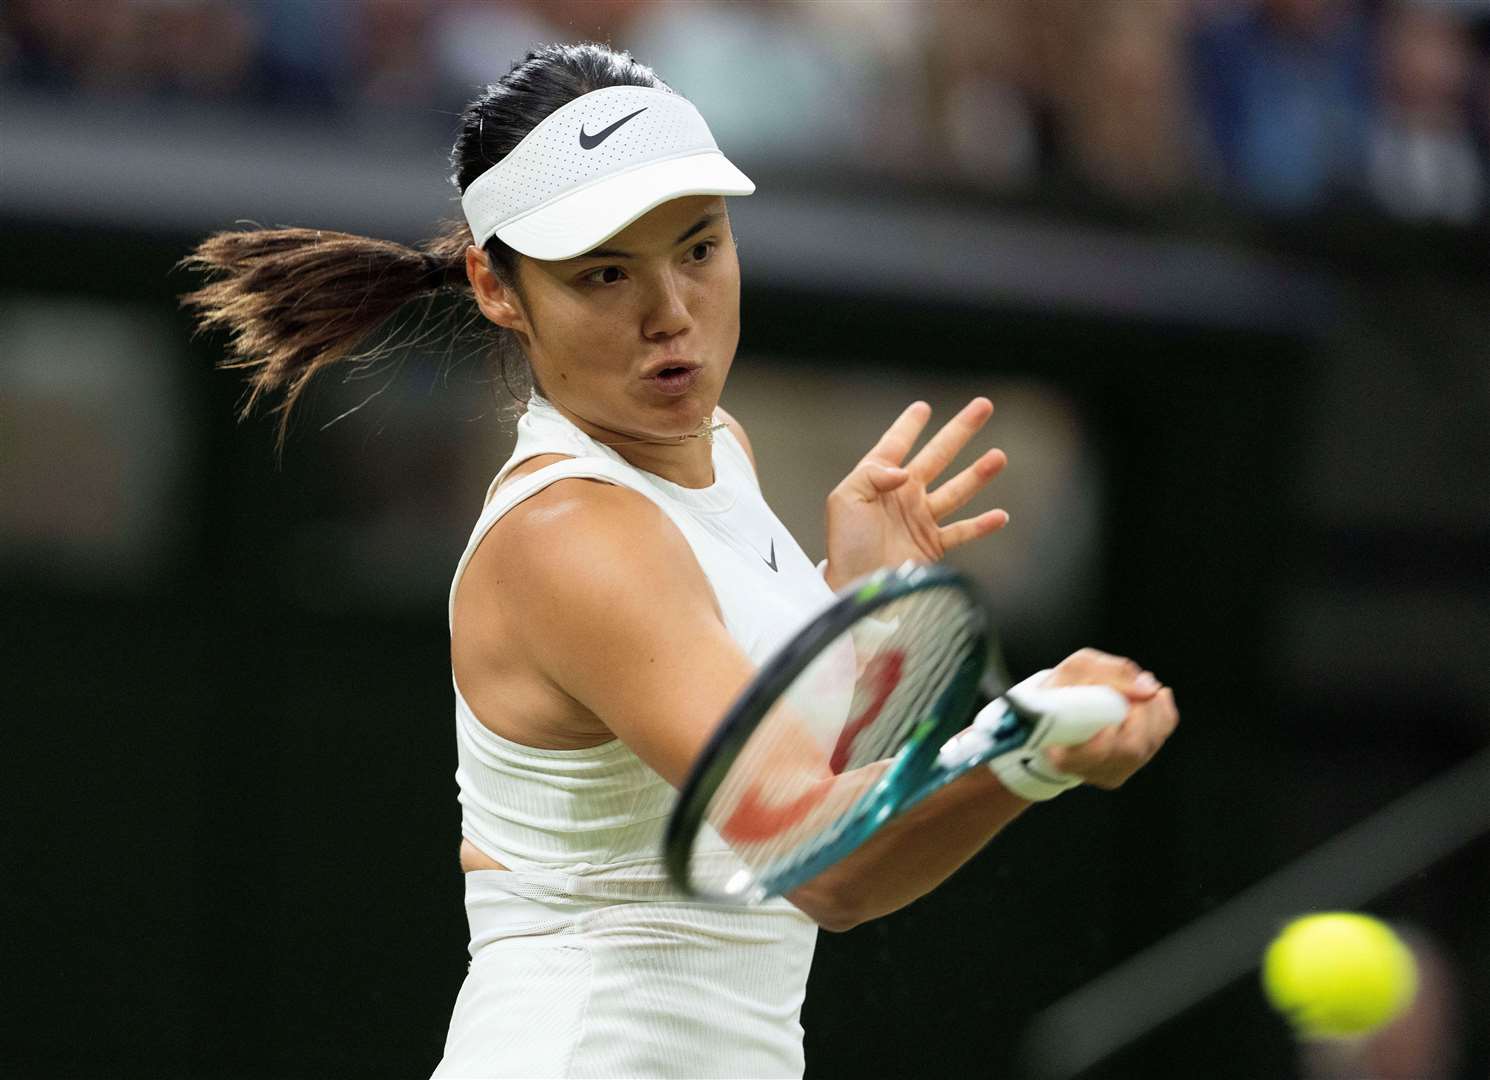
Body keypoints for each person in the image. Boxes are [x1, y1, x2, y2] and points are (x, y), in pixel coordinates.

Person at [181, 41, 1178, 1080]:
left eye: (697, 250)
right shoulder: (569, 539)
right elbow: (818, 868)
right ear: (496, 285)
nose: (669, 312)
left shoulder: (713, 447)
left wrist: (863, 611)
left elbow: (785, 786)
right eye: (603, 273)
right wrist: (1026, 742)